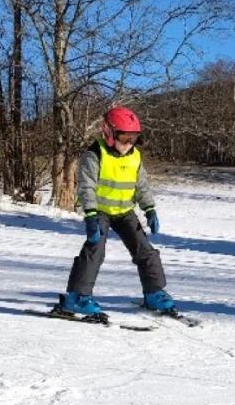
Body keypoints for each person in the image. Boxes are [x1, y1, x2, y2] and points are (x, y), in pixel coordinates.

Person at [56, 106, 177, 317]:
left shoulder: (135, 157)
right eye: (123, 138)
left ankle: (154, 292)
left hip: (125, 211)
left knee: (145, 250)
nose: (128, 144)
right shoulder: (95, 155)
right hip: (100, 211)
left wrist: (149, 209)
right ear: (109, 134)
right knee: (95, 249)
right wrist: (91, 216)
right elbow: (86, 187)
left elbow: (142, 186)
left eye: (133, 139)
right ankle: (77, 297)